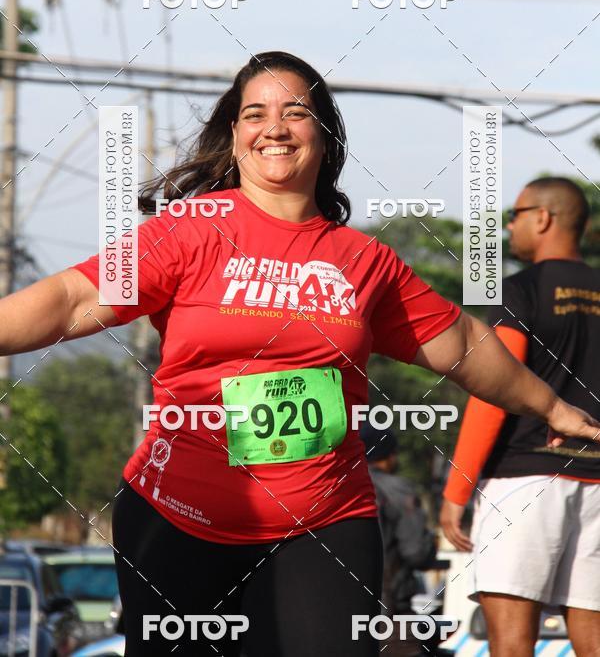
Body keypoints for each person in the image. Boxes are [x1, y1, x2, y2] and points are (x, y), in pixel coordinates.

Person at [0, 55, 598, 657]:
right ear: (235, 135)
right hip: (177, 519)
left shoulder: (365, 261)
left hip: (324, 523)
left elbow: (463, 344)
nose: (275, 127)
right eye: (255, 113)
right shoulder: (187, 232)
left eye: (296, 112)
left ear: (325, 131)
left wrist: (551, 404)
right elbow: (72, 297)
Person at [440, 177, 600, 657]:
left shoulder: (522, 290)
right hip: (598, 482)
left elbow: (493, 391)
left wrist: (456, 491)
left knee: (511, 643)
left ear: (543, 218)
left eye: (515, 215)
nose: (509, 227)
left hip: (526, 479)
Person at [360, 421, 437, 657]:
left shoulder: (339, 488)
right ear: (388, 455)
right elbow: (416, 553)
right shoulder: (398, 489)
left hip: (339, 608)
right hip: (390, 613)